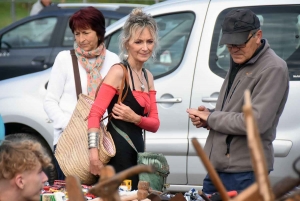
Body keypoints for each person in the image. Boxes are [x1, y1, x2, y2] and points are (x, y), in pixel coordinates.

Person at [187, 8, 289, 194]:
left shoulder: (273, 68)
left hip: (245, 171)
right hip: (219, 168)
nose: (233, 49)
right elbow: (234, 109)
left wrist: (212, 118)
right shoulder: (241, 59)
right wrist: (208, 116)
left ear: (258, 36)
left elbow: (255, 122)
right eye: (229, 44)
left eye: (239, 43)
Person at [44, 6, 120, 181]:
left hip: (103, 143)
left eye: (86, 33)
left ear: (99, 32)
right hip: (69, 142)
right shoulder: (65, 59)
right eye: (77, 34)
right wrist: (70, 126)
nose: (81, 39)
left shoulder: (113, 60)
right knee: (70, 194)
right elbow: (50, 101)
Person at [87, 8, 160, 190]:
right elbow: (94, 114)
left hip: (137, 154)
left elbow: (155, 124)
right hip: (116, 155)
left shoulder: (147, 76)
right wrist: (94, 156)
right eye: (139, 42)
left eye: (150, 42)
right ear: (127, 44)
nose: (145, 47)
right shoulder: (118, 72)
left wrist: (134, 118)